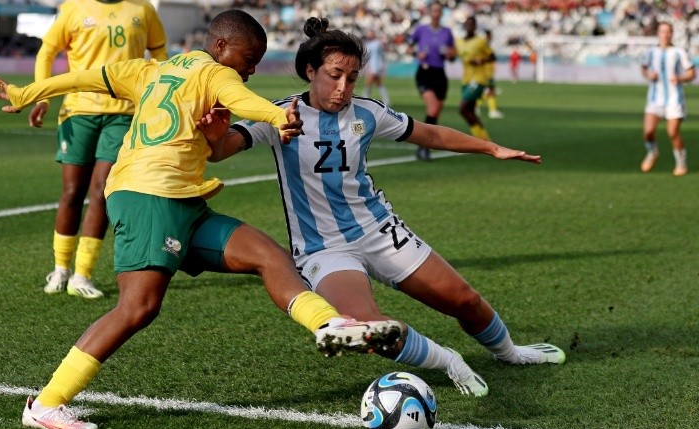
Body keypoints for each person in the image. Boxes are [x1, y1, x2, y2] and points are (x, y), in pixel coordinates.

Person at [0, 9, 402, 429]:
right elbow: (242, 100)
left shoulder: (153, 68)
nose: (252, 68)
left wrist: (31, 92)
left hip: (183, 199)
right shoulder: (215, 73)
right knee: (138, 307)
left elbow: (85, 78)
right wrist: (278, 116)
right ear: (221, 47)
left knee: (268, 255)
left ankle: (330, 325)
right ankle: (45, 403)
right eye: (250, 57)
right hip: (148, 196)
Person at [202, 17, 566, 398]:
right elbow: (225, 148)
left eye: (352, 78)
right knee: (365, 325)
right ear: (310, 72)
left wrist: (490, 147)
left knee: (465, 301)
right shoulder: (279, 116)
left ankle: (511, 353)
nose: (343, 88)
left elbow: (429, 132)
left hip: (380, 230)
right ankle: (448, 360)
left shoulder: (368, 114)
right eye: (334, 75)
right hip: (324, 249)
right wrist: (214, 139)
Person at [32, 0, 168, 299]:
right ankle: (61, 269)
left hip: (123, 113)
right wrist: (42, 96)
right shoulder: (74, 8)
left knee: (101, 191)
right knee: (71, 192)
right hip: (78, 110)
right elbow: (47, 51)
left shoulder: (142, 9)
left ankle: (82, 275)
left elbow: (158, 52)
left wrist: (160, 89)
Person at [640, 21, 695, 176]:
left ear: (672, 34)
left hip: (674, 99)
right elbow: (644, 68)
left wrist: (680, 78)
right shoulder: (650, 52)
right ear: (658, 33)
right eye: (662, 31)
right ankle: (652, 152)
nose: (665, 34)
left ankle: (681, 162)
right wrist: (648, 74)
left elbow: (691, 73)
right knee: (648, 132)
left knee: (672, 132)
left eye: (668, 32)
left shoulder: (678, 52)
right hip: (654, 99)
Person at [407, 1, 455, 161]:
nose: (436, 13)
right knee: (433, 108)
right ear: (430, 13)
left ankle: (425, 144)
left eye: (439, 11)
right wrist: (416, 54)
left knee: (435, 113)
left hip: (440, 74)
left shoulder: (447, 32)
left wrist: (450, 54)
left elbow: (453, 55)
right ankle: (424, 146)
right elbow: (408, 46)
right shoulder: (421, 30)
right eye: (434, 10)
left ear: (442, 14)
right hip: (425, 72)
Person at [456, 16, 495, 141]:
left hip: (478, 79)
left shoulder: (480, 41)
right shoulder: (459, 42)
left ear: (475, 26)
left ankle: (482, 139)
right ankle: (482, 138)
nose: (469, 26)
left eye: (471, 24)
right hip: (466, 80)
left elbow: (492, 56)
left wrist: (481, 60)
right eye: (467, 24)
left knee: (462, 108)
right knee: (470, 111)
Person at [476, 29, 504, 119]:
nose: (491, 37)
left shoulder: (485, 46)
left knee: (485, 91)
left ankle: (476, 106)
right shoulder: (483, 47)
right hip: (485, 72)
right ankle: (492, 111)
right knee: (490, 90)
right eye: (489, 35)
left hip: (486, 72)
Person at [361, 29, 390, 106]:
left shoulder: (377, 43)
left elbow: (381, 54)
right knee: (378, 83)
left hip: (376, 65)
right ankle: (386, 99)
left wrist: (382, 65)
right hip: (371, 65)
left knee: (369, 82)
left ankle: (365, 98)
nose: (369, 35)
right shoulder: (368, 44)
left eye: (371, 34)